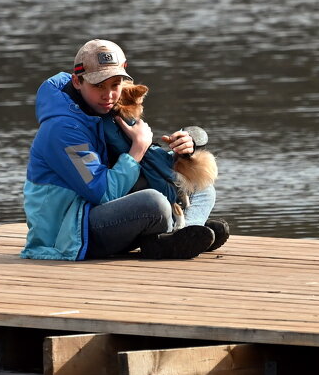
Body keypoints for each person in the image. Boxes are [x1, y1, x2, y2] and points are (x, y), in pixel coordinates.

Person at [21, 39, 229, 261]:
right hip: (67, 233)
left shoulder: (103, 110)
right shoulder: (63, 129)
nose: (108, 94)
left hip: (96, 211)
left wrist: (181, 149)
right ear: (77, 81)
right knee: (153, 202)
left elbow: (145, 165)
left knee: (201, 188)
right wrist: (138, 147)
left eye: (115, 84)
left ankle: (184, 232)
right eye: (98, 85)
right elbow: (103, 193)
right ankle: (175, 233)